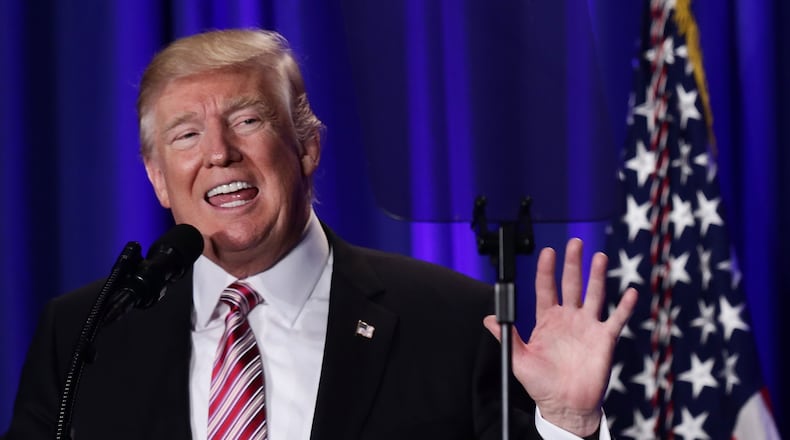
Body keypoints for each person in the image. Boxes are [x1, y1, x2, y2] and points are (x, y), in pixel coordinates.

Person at [4, 29, 637, 440]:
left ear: (306, 145)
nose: (219, 153)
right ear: (158, 179)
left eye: (247, 120)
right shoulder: (84, 334)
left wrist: (568, 423)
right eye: (186, 135)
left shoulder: (450, 321)